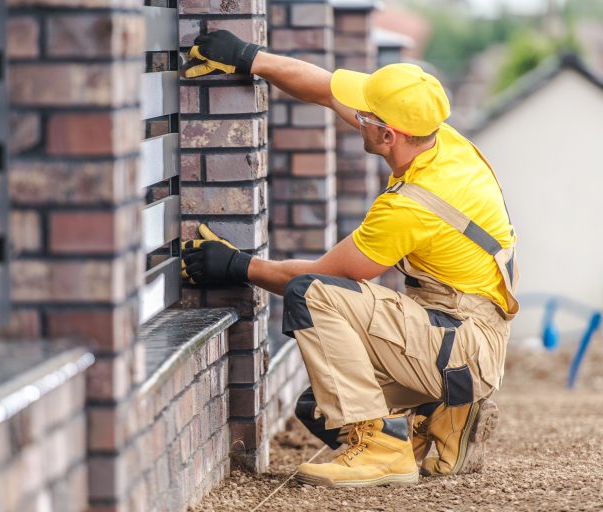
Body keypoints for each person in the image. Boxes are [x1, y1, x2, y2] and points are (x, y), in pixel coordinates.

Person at [181, 31, 519, 488]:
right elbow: (324, 88)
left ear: (386, 134)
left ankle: (384, 449)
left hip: (463, 343)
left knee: (311, 295)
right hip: (458, 330)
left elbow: (322, 279)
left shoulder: (412, 205)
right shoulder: (436, 138)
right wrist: (249, 58)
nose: (353, 116)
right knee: (318, 407)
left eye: (364, 116)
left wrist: (238, 266)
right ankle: (440, 417)